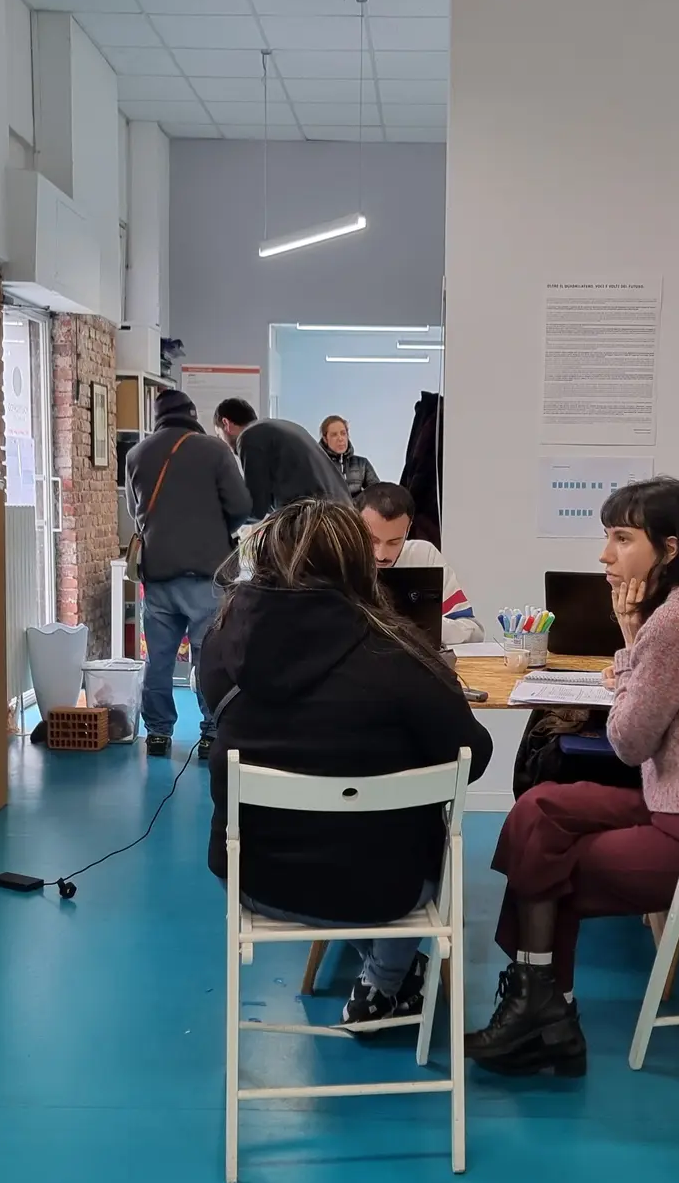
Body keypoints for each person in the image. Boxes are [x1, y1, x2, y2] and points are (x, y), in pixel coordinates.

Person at [464, 477, 679, 1077]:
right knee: (539, 808)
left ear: (670, 549)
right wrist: (633, 641)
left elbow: (628, 744)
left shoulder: (676, 623)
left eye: (622, 539)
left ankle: (543, 1013)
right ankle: (544, 1009)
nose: (605, 555)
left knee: (550, 864)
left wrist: (630, 645)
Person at [200, 500, 493, 1026]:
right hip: (385, 889)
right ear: (359, 565)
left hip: (254, 879)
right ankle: (382, 982)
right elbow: (472, 758)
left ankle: (388, 977)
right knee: (428, 832)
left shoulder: (220, 643)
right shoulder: (401, 656)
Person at [125, 389, 251, 757]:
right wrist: (217, 530)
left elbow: (136, 511)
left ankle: (158, 734)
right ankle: (211, 733)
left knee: (158, 660)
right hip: (206, 576)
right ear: (193, 414)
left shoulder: (136, 454)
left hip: (158, 575)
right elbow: (241, 506)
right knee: (208, 658)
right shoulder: (215, 450)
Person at [358, 482, 484, 646]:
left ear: (408, 529)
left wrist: (424, 624)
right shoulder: (341, 558)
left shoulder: (423, 556)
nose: (381, 555)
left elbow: (473, 630)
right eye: (372, 540)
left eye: (394, 542)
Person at [213, 398, 348, 518]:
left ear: (226, 424)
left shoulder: (249, 437)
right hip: (342, 515)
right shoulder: (277, 428)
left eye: (219, 436)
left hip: (321, 518)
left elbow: (257, 509)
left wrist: (222, 518)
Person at [318, 415, 379, 502]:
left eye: (343, 433)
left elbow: (378, 494)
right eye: (334, 435)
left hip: (357, 510)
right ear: (325, 439)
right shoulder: (316, 465)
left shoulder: (362, 464)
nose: (340, 438)